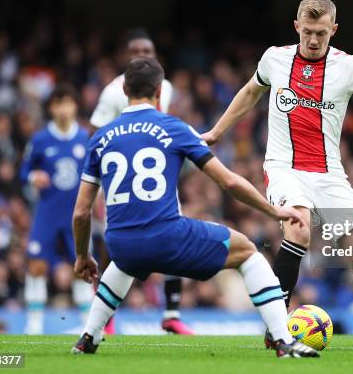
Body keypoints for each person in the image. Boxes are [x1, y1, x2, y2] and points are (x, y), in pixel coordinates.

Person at [202, 0, 353, 350]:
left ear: (333, 30)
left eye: (321, 33)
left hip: (329, 175)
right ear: (296, 26)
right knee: (299, 227)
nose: (312, 40)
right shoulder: (275, 59)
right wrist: (217, 131)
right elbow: (249, 93)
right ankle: (277, 326)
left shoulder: (350, 67)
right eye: (307, 31)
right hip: (284, 168)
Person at [71, 58, 319, 358]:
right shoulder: (174, 128)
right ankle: (282, 340)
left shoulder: (99, 138)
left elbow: (82, 212)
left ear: (124, 89)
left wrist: (83, 256)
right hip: (167, 236)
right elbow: (227, 181)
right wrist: (273, 210)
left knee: (124, 262)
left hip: (120, 243)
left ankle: (88, 337)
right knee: (248, 253)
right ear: (159, 92)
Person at [90, 30, 191, 335]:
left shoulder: (166, 87)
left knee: (176, 233)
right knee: (114, 244)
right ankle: (106, 318)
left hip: (157, 178)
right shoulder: (112, 93)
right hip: (122, 181)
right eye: (136, 51)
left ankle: (171, 313)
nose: (143, 55)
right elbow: (94, 135)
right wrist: (96, 189)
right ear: (125, 57)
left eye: (148, 49)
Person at [19, 84, 92, 334]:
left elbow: (95, 173)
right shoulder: (40, 139)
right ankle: (34, 325)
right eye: (58, 103)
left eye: (68, 103)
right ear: (51, 108)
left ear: (75, 106)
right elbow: (24, 171)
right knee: (37, 264)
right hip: (48, 212)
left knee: (82, 267)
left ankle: (88, 326)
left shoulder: (85, 138)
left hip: (77, 214)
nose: (63, 109)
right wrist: (33, 178)